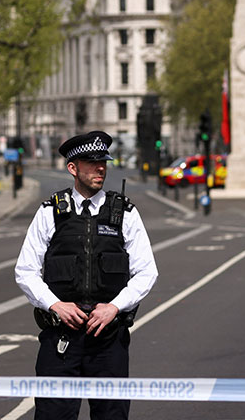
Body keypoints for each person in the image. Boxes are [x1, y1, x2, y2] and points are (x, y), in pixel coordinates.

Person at [15, 130, 158, 419]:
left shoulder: (124, 213)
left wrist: (114, 307)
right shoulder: (50, 213)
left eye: (103, 161)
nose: (101, 168)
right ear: (73, 168)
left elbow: (146, 271)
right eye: (92, 162)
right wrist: (55, 305)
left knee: (111, 415)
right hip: (60, 340)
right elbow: (26, 270)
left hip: (108, 340)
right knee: (54, 415)